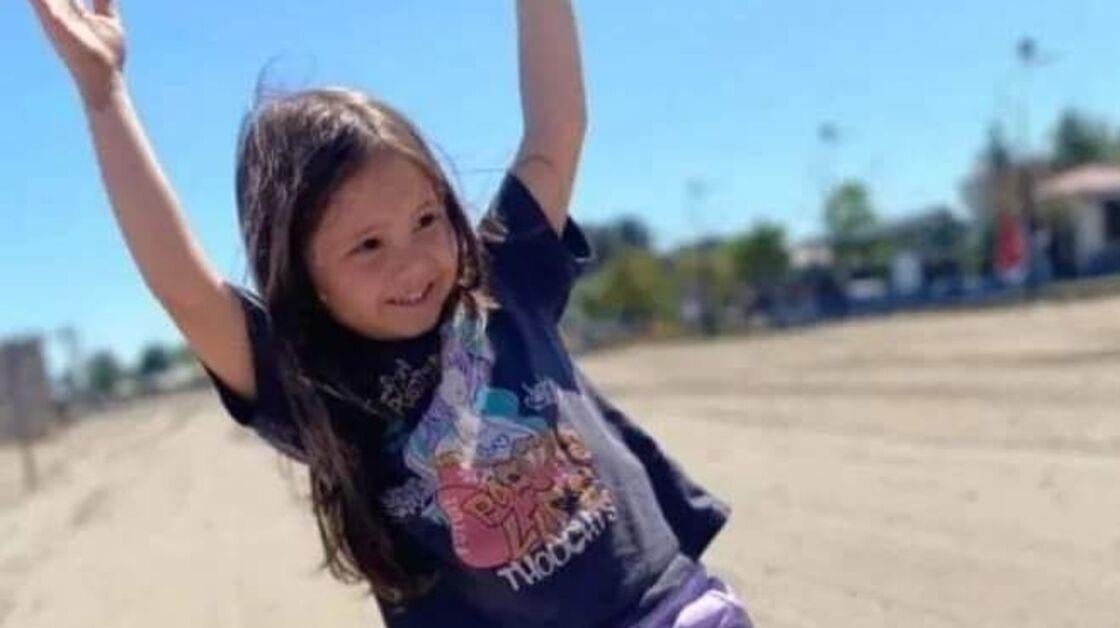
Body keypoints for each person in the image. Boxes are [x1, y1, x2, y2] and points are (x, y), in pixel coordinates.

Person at [26, 0, 753, 625]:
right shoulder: (318, 385)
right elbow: (184, 289)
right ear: (304, 277)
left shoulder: (499, 283)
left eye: (427, 219)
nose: (413, 263)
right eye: (367, 246)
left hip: (673, 607)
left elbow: (556, 128)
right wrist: (103, 94)